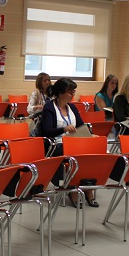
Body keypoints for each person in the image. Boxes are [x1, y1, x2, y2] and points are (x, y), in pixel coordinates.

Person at [39, 78, 90, 206]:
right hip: (56, 144)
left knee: (93, 151)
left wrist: (90, 134)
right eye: (70, 92)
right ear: (61, 93)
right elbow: (47, 131)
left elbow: (81, 126)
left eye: (73, 91)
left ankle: (88, 187)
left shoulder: (72, 107)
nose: (73, 94)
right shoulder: (49, 107)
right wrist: (64, 129)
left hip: (74, 142)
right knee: (75, 155)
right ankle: (72, 189)